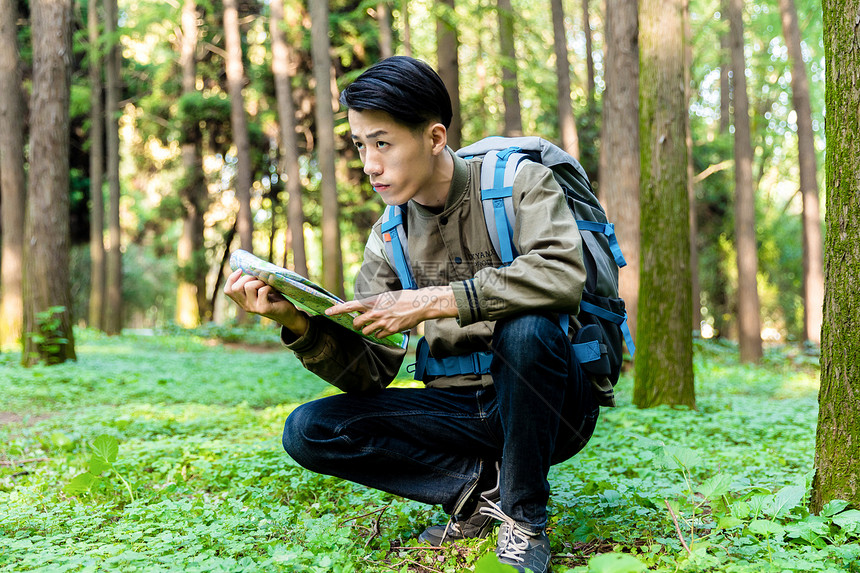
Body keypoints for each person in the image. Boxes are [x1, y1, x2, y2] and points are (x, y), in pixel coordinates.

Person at [224, 56, 601, 573]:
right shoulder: (388, 236)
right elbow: (371, 372)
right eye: (360, 145)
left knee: (527, 327)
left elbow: (561, 273)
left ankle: (523, 519)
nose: (370, 164)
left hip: (553, 406)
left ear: (434, 137)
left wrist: (431, 299)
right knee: (309, 428)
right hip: (458, 410)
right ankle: (479, 489)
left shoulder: (519, 184)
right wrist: (298, 324)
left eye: (383, 143)